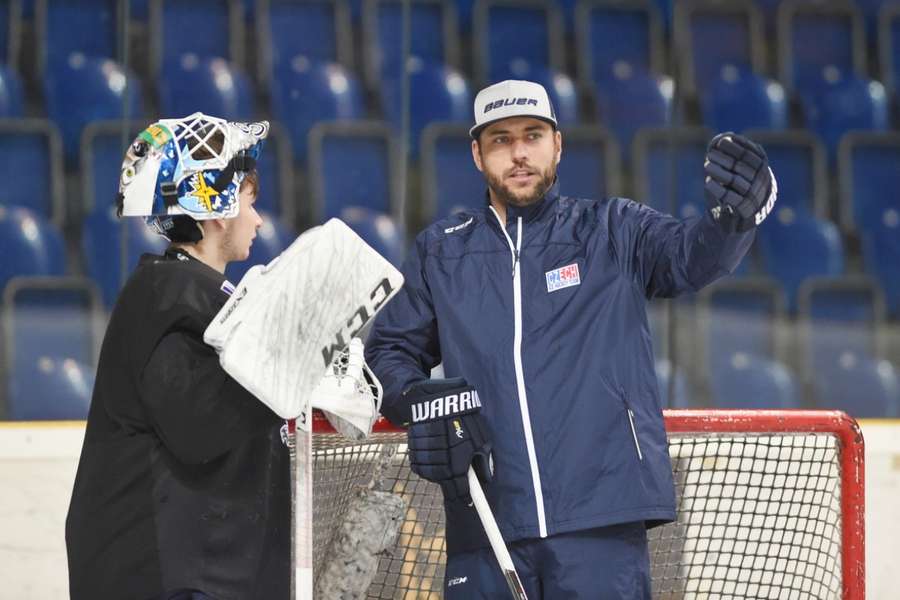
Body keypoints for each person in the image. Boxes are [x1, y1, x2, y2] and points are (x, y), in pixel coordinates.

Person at [364, 80, 777, 598]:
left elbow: (690, 258)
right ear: (477, 154)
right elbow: (388, 352)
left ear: (557, 144)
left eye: (532, 135)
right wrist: (420, 399)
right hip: (487, 524)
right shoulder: (440, 253)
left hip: (601, 521)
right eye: (500, 139)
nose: (518, 152)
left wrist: (733, 220)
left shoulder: (613, 229)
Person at [65, 113, 291, 600]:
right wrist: (291, 359)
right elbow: (200, 427)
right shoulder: (172, 298)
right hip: (159, 576)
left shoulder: (178, 291)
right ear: (216, 209)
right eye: (250, 202)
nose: (257, 219)